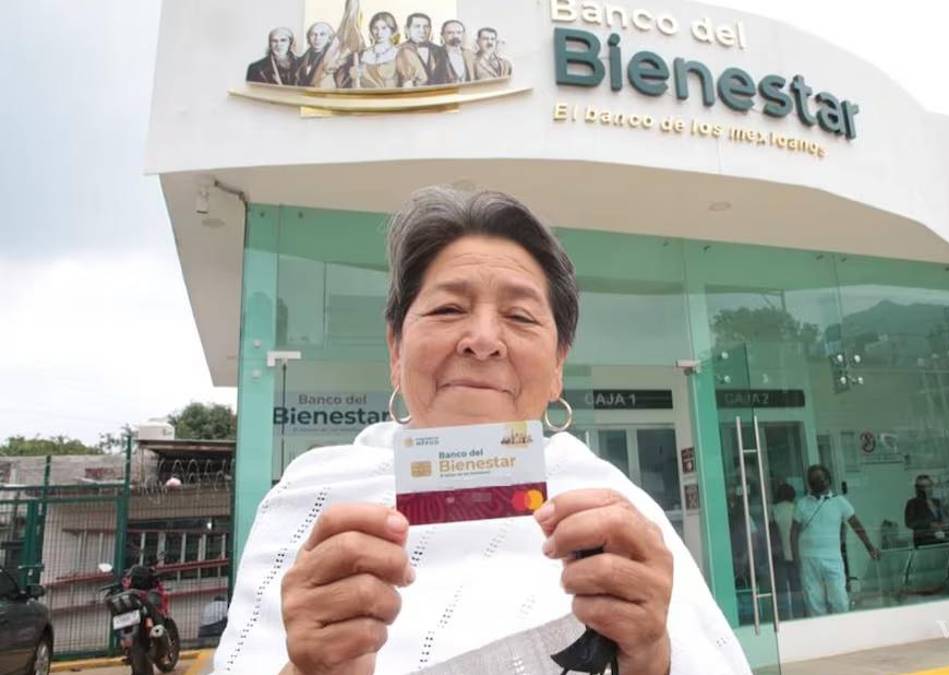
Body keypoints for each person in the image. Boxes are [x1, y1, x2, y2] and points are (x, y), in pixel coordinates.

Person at [213, 188, 751, 674]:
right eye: (448, 308)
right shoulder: (312, 504)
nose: (483, 339)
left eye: (521, 317)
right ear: (396, 350)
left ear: (558, 365)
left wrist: (650, 657)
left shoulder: (617, 512)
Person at [790, 465, 879, 617]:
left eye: (821, 478)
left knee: (840, 600)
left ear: (828, 480)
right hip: (808, 559)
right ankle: (821, 630)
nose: (818, 482)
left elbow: (856, 526)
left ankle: (842, 629)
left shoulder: (839, 502)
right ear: (809, 483)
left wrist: (869, 547)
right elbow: (794, 533)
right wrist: (796, 558)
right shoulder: (802, 504)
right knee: (814, 602)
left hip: (832, 558)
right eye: (814, 480)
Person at [770, 483, 802, 619]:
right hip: (796, 553)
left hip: (779, 554)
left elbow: (771, 531)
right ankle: (799, 615)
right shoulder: (797, 509)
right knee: (797, 588)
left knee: (781, 590)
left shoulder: (774, 510)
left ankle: (784, 617)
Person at [397, 12, 451, 87]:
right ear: (407, 29)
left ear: (430, 29)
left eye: (426, 27)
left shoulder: (440, 50)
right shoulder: (398, 50)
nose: (422, 31)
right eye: (417, 26)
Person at [351, 11, 401, 88]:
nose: (379, 32)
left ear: (392, 30)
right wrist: (354, 76)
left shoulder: (398, 53)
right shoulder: (364, 54)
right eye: (375, 28)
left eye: (384, 28)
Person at [904, 474, 947, 547]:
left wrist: (944, 523)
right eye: (922, 487)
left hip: (941, 539)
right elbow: (910, 523)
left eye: (928, 486)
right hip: (924, 542)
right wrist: (929, 524)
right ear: (917, 489)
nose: (925, 489)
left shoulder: (937, 502)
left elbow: (944, 517)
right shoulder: (913, 503)